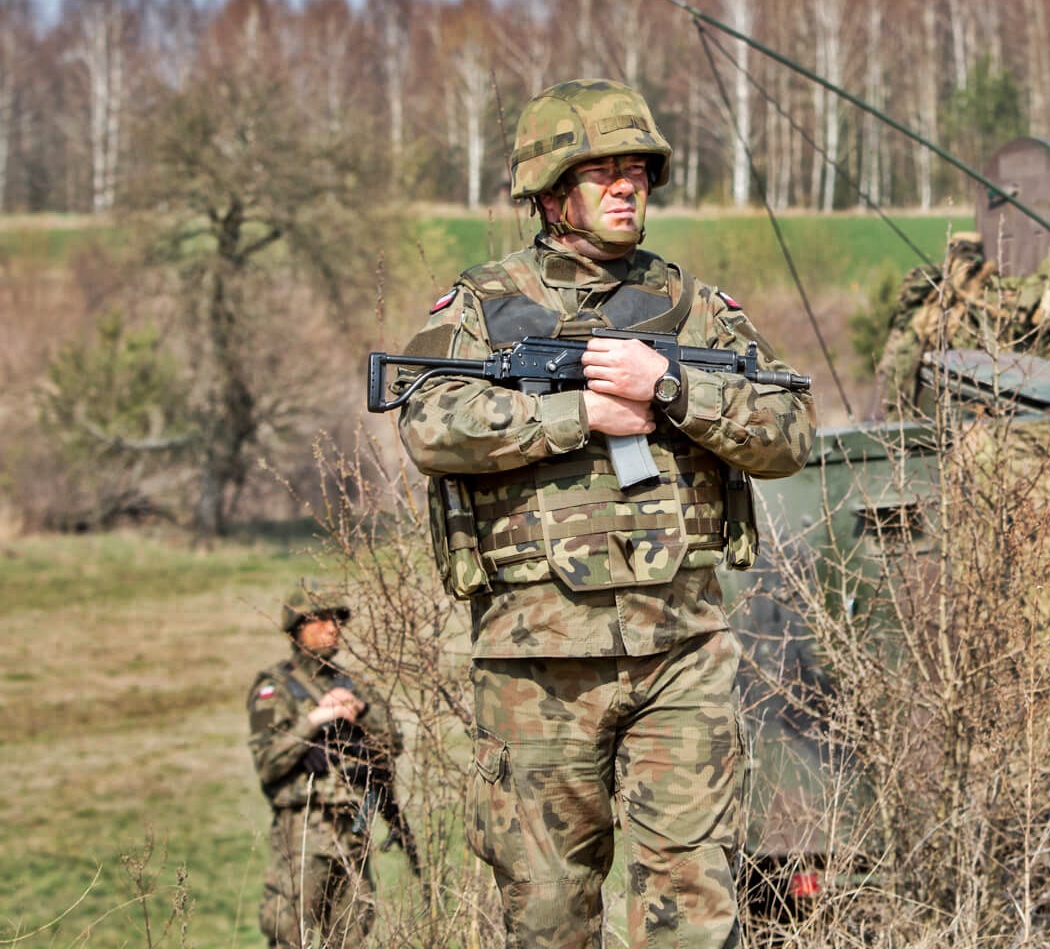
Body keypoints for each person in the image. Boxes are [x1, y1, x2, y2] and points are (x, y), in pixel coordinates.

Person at [395, 78, 814, 948]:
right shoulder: (482, 304)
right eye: (603, 173)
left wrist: (674, 391)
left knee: (695, 911)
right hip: (536, 665)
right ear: (551, 193)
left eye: (639, 171)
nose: (628, 188)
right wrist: (573, 414)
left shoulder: (696, 306)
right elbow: (428, 423)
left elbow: (789, 432)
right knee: (549, 916)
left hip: (682, 653)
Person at [249, 580, 400, 949]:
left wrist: (361, 713)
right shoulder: (274, 688)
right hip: (304, 832)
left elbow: (393, 744)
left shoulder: (354, 685)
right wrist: (315, 720)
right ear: (296, 628)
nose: (333, 628)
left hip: (354, 830)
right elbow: (267, 762)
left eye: (337, 620)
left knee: (352, 936)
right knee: (291, 936)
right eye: (320, 619)